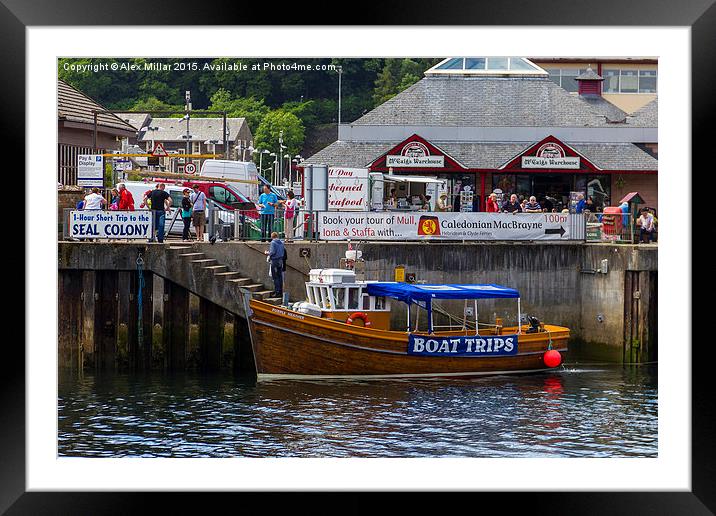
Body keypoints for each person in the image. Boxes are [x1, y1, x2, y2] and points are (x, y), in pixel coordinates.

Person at [264, 232, 286, 298]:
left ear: (272, 237)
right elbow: (283, 251)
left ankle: (277, 292)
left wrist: (267, 253)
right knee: (280, 276)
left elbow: (273, 252)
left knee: (275, 277)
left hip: (275, 260)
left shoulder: (273, 243)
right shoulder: (281, 242)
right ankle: (280, 292)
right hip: (280, 260)